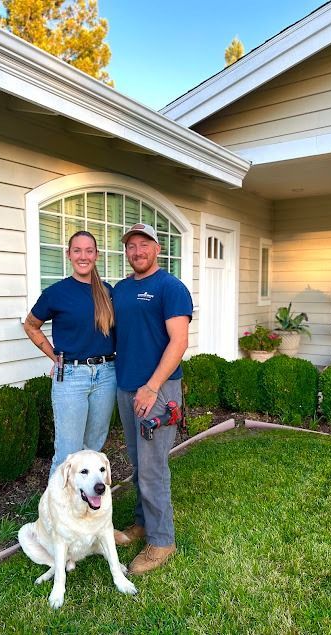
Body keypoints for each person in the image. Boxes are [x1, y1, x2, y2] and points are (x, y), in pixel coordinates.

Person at [112, 223, 193, 575]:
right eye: (131, 245)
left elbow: (179, 342)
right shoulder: (121, 289)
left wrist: (152, 386)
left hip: (156, 392)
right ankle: (142, 524)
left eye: (144, 244)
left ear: (157, 249)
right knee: (138, 463)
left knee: (154, 468)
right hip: (126, 387)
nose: (137, 250)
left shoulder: (170, 288)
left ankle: (162, 540)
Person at [24, 231, 116, 477]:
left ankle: (86, 508)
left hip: (106, 375)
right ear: (68, 255)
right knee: (68, 454)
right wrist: (54, 356)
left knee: (93, 451)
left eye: (89, 250)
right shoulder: (57, 292)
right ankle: (55, 514)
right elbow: (30, 325)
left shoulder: (107, 292)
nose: (83, 256)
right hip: (71, 377)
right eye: (77, 250)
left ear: (96, 255)